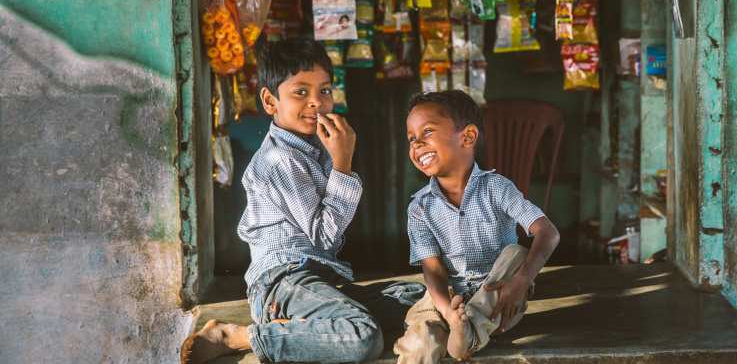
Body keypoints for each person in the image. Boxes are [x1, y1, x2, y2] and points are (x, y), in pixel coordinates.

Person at [180, 38, 424, 364]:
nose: (316, 103)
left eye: (324, 91)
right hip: (283, 282)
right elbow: (324, 235)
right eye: (300, 92)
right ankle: (240, 336)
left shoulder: (313, 147)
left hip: (319, 279)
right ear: (270, 101)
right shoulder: (280, 159)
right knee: (363, 336)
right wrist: (343, 165)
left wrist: (337, 161)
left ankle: (303, 326)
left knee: (418, 295)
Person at [393, 90, 561, 363]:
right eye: (411, 138)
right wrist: (448, 311)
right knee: (421, 336)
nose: (417, 144)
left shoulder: (497, 188)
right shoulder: (420, 207)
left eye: (427, 132)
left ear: (468, 137)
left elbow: (548, 233)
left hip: (499, 293)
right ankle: (452, 333)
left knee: (516, 255)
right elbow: (433, 270)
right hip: (449, 295)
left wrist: (523, 280)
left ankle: (465, 333)